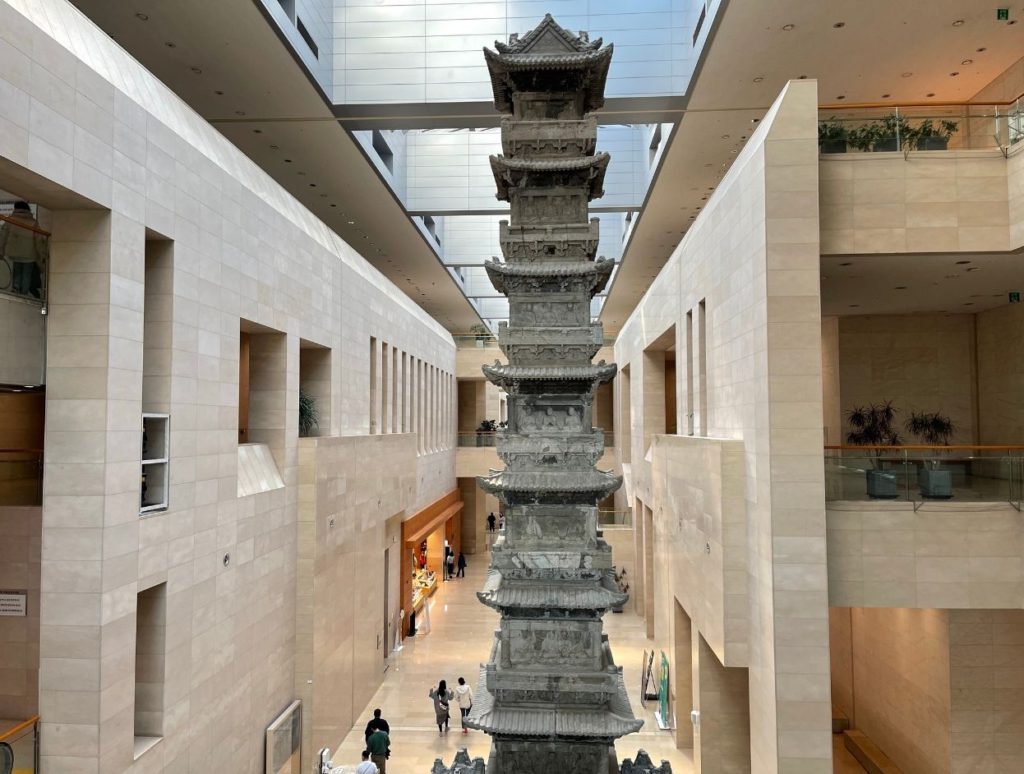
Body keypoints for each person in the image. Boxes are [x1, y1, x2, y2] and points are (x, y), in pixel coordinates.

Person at [0, 201, 46, 299]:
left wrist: (1, 251)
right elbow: (38, 240)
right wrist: (42, 255)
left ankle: (16, 288)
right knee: (27, 274)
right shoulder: (33, 222)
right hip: (29, 254)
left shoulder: (10, 220)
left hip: (14, 252)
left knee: (17, 271)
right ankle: (24, 294)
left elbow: (2, 237)